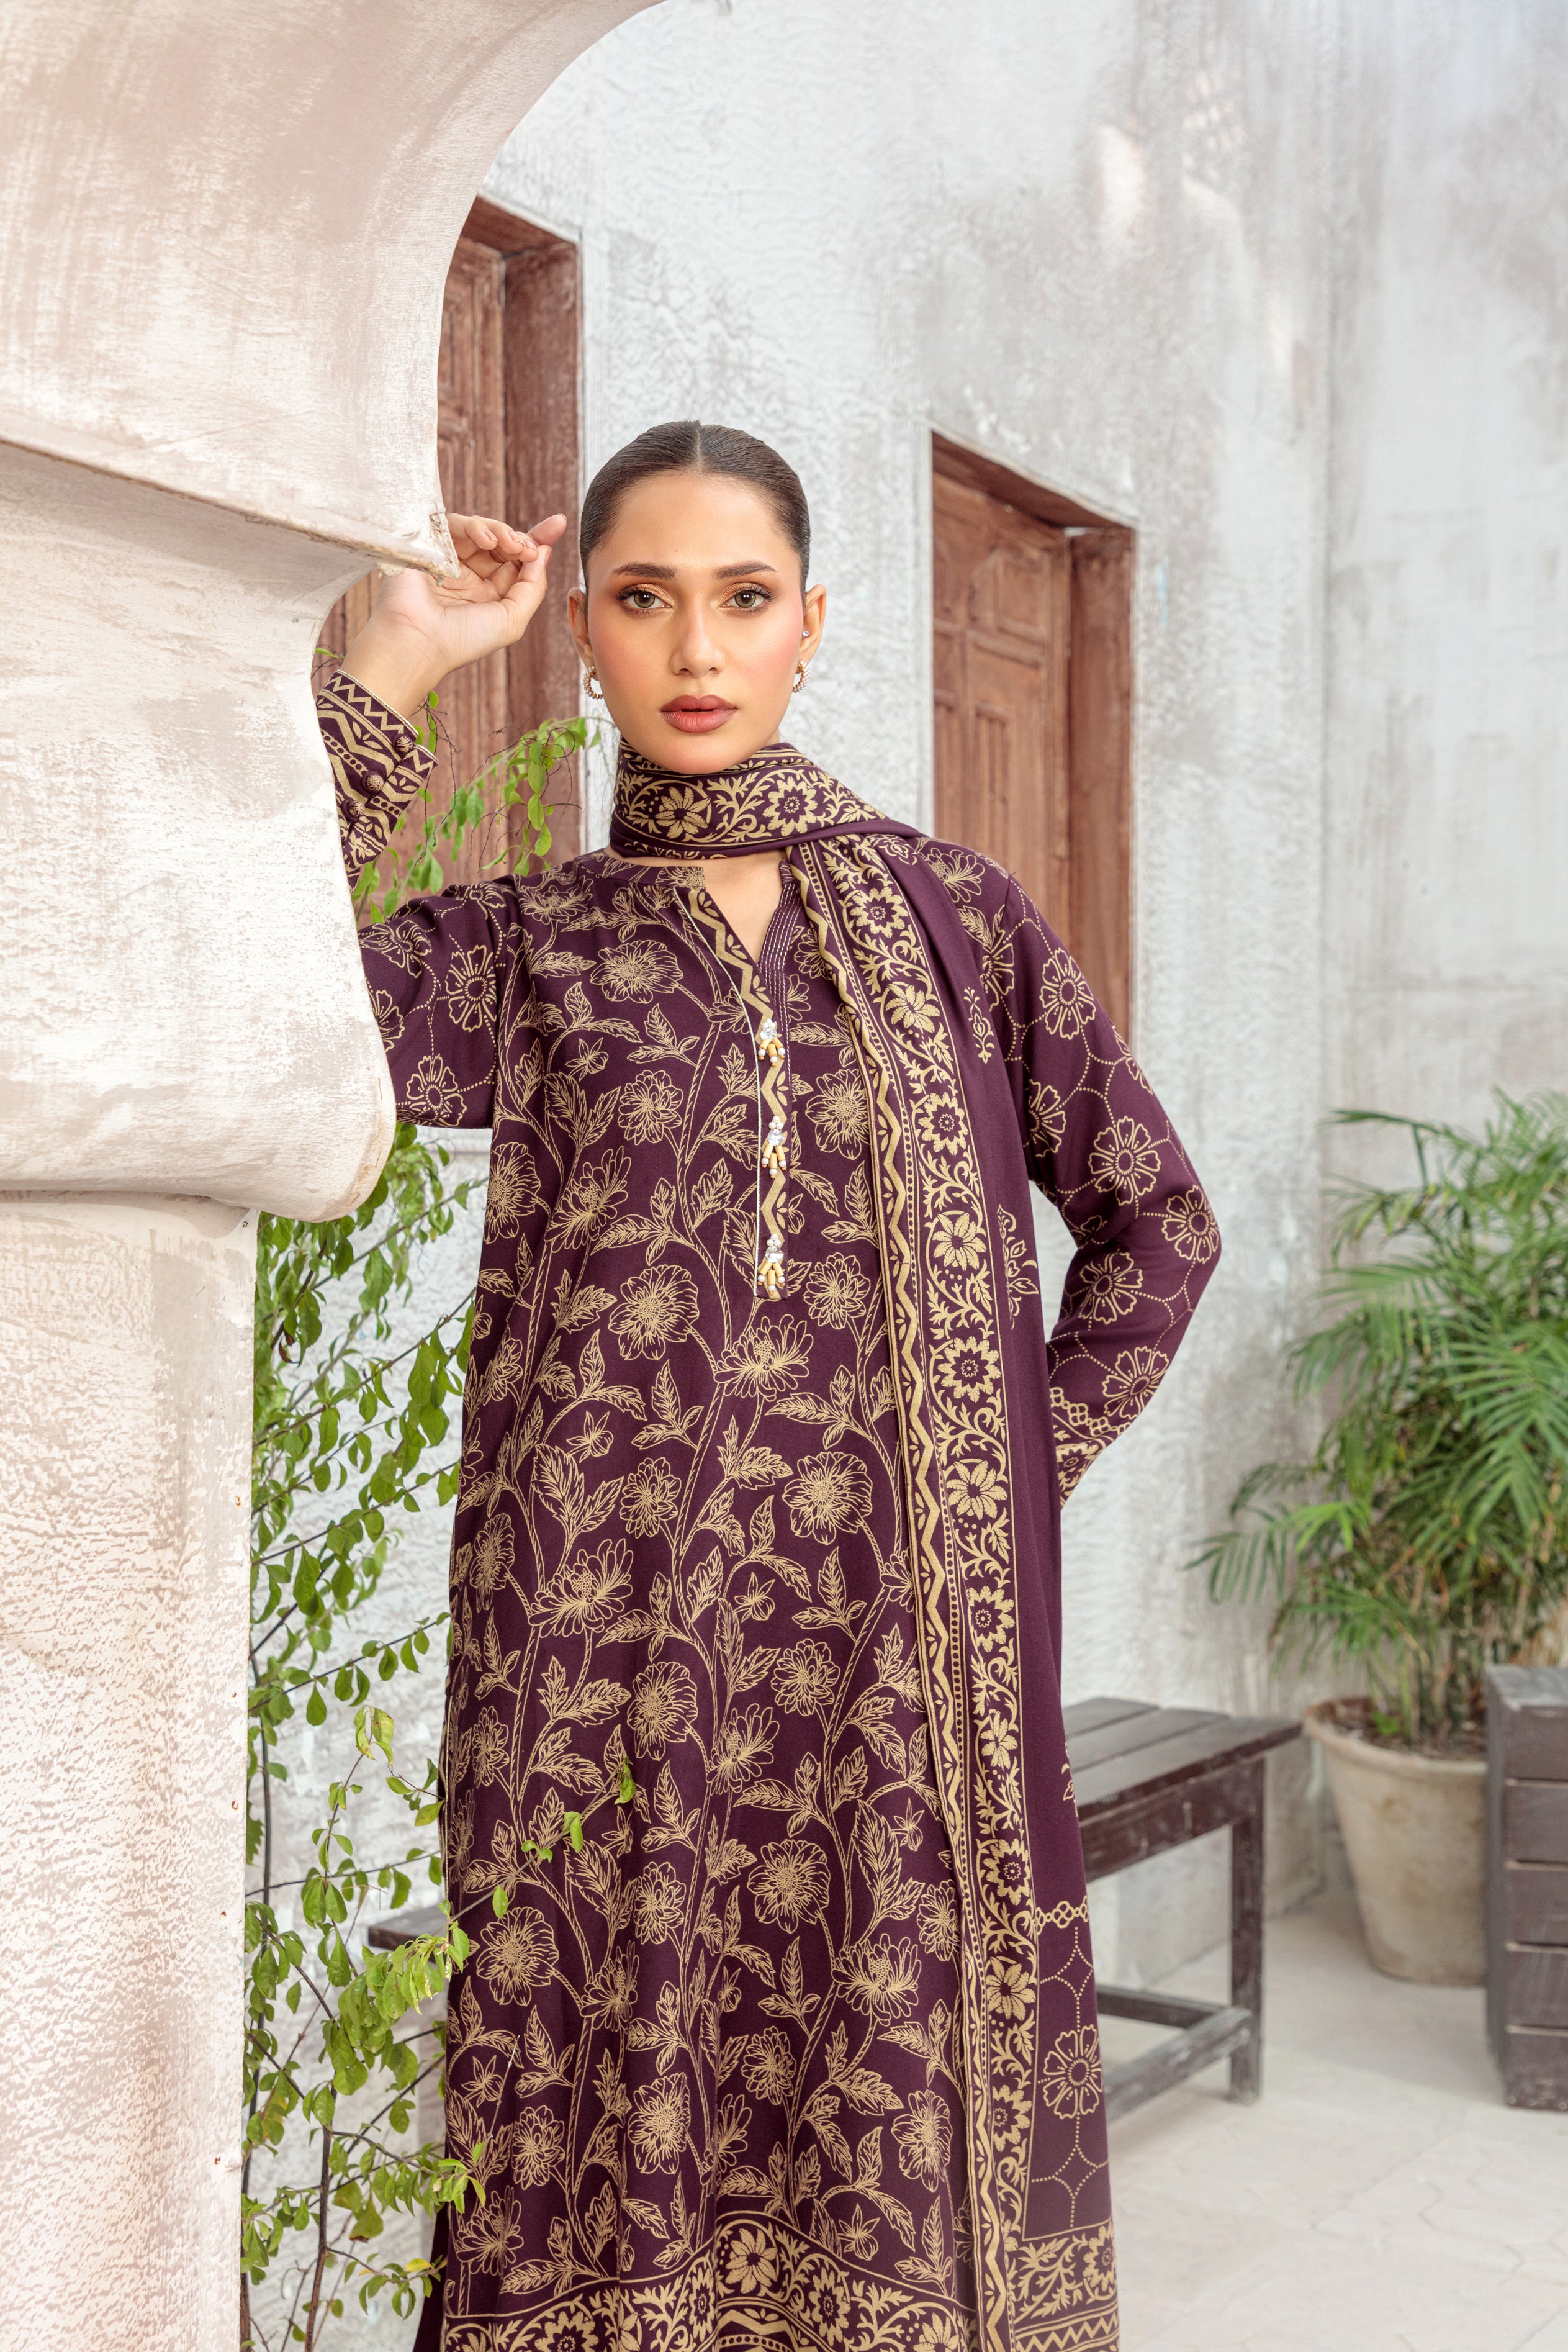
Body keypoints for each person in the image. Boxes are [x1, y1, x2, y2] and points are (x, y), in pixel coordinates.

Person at [317, 421, 1220, 2352]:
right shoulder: (536, 945)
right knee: (590, 2125)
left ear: (814, 622)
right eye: (645, 601)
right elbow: (260, 994)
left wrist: (1003, 1466)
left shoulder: (962, 923)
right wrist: (397, 659)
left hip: (890, 1692)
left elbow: (1160, 1227)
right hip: (596, 1694)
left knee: (877, 2138)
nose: (698, 648)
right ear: (584, 629)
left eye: (743, 599)